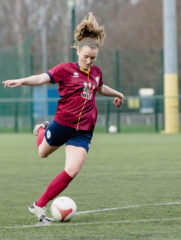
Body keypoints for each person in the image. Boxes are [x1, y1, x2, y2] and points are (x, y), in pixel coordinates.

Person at [2, 12, 124, 223]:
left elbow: (100, 87)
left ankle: (38, 206)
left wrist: (118, 94)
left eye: (93, 58)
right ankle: (42, 129)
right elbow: (42, 77)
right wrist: (22, 80)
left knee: (73, 169)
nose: (89, 61)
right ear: (77, 51)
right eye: (85, 56)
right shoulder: (64, 70)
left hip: (84, 130)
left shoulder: (96, 72)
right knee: (42, 154)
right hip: (61, 124)